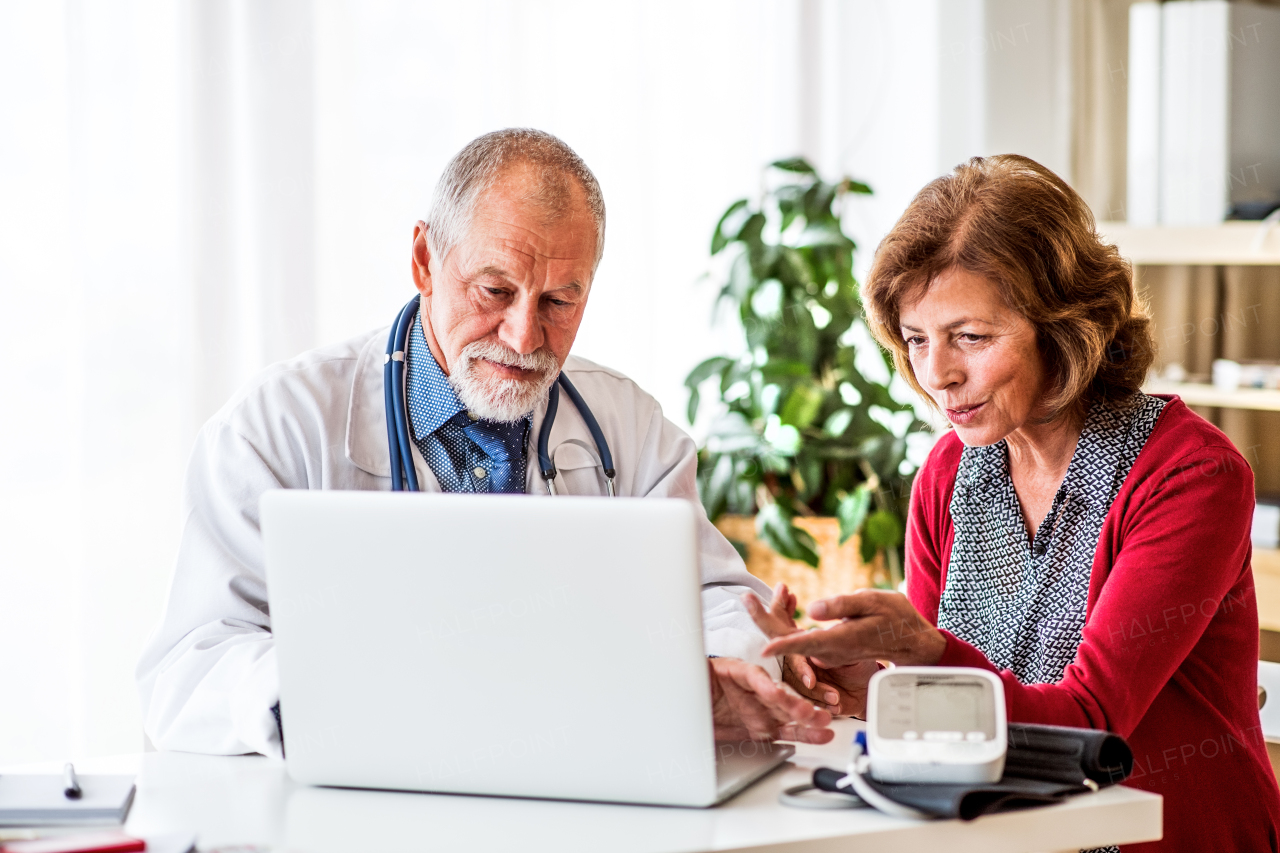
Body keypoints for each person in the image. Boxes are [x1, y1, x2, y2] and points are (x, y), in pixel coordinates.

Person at [136, 128, 832, 758]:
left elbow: (720, 599)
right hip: (367, 795)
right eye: (495, 289)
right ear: (423, 260)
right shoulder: (279, 424)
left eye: (561, 300)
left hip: (580, 783)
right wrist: (332, 690)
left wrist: (714, 673)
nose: (525, 336)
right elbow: (190, 667)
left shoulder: (631, 427)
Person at [747, 155, 1280, 851]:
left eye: (971, 336)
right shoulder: (947, 472)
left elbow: (1088, 720)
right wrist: (874, 691)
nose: (937, 374)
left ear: (1064, 325)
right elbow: (956, 718)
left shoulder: (1190, 474)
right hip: (1006, 834)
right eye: (916, 339)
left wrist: (926, 652)